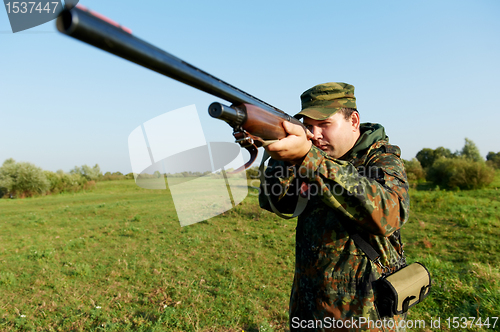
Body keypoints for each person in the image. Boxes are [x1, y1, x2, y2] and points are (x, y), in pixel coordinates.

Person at [258, 82, 410, 332]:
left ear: (353, 121)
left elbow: (390, 214)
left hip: (365, 315)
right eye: (308, 126)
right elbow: (273, 200)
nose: (315, 135)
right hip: (309, 306)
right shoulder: (311, 155)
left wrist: (310, 159)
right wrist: (285, 157)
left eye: (324, 124)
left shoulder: (379, 157)